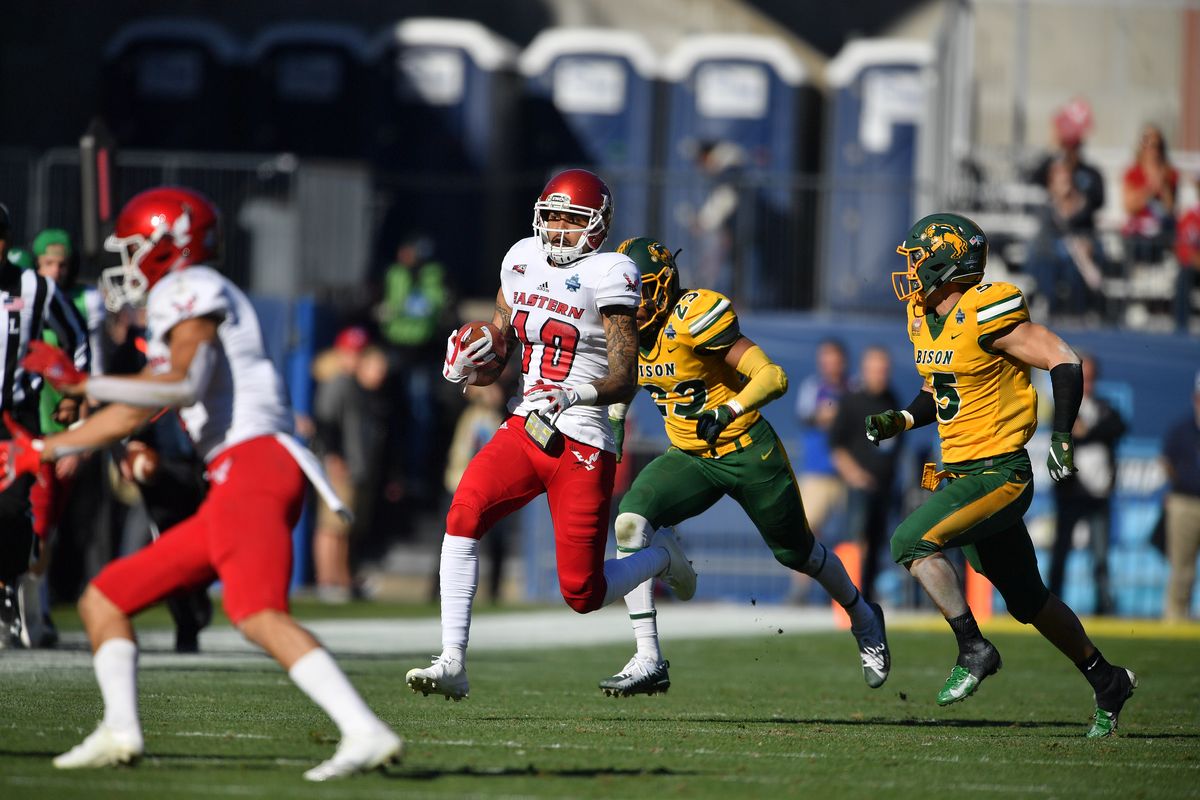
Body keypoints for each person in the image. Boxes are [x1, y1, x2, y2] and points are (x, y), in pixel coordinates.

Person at [4, 187, 400, 779]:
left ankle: (365, 730)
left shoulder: (188, 290)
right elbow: (142, 408)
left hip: (255, 463)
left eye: (137, 248)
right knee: (104, 598)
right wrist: (46, 447)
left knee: (258, 614)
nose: (128, 262)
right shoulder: (181, 299)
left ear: (170, 246)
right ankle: (119, 730)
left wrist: (88, 386)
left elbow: (181, 384)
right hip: (238, 474)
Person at [404, 169, 697, 701]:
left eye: (573, 219)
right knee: (462, 514)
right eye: (553, 216)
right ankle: (452, 660)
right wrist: (475, 358)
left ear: (599, 225)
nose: (560, 229)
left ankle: (661, 558)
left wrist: (573, 394)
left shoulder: (611, 272)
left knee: (582, 594)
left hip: (583, 437)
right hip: (525, 426)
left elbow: (623, 374)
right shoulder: (520, 260)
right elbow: (503, 341)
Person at [867, 212, 1137, 737]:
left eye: (919, 256)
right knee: (1027, 599)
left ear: (949, 261)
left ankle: (973, 647)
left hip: (1000, 474)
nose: (911, 268)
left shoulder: (987, 309)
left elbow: (1063, 357)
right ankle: (1107, 679)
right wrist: (901, 418)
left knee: (910, 541)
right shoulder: (923, 316)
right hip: (959, 472)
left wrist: (1060, 433)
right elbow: (941, 390)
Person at [598, 238, 889, 697]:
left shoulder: (693, 317)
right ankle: (648, 657)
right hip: (691, 457)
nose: (632, 306)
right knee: (631, 521)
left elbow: (774, 376)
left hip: (747, 448)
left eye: (641, 293)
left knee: (798, 553)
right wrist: (613, 426)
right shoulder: (625, 330)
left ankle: (863, 615)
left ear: (665, 287)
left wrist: (729, 410)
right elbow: (625, 380)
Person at [0, 203, 90, 649]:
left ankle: (20, 594)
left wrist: (76, 402)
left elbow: (77, 337)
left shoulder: (37, 290)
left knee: (19, 515)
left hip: (19, 423)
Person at [1047, 353, 1126, 615]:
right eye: (1083, 378)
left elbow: (1117, 426)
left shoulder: (1104, 407)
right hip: (1070, 493)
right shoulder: (1065, 407)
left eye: (1091, 379)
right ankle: (1051, 606)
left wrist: (1088, 432)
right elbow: (1063, 437)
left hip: (1098, 494)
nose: (1087, 384)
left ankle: (1103, 605)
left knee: (1101, 555)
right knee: (1061, 553)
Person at [828, 345, 902, 604]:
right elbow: (836, 445)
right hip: (859, 485)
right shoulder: (852, 400)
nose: (880, 375)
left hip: (884, 486)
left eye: (884, 370)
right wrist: (855, 475)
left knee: (877, 543)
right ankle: (846, 598)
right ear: (865, 370)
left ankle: (867, 596)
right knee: (855, 540)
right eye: (876, 369)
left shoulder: (892, 400)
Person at [1027, 99, 1107, 316]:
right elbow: (1032, 179)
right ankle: (1050, 312)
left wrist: (1073, 198)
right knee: (1043, 260)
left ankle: (1079, 315)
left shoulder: (1091, 174)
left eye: (1073, 145)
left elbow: (1096, 203)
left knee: (1076, 270)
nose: (1069, 150)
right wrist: (1053, 149)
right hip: (1051, 242)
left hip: (1082, 238)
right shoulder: (1050, 169)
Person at [788, 338, 849, 603]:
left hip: (847, 474)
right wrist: (822, 416)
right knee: (806, 533)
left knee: (849, 535)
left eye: (834, 359)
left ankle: (843, 593)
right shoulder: (813, 387)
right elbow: (805, 416)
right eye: (826, 359)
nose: (830, 364)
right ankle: (800, 591)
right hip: (817, 473)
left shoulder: (853, 387)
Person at [1161, 371, 1200, 621]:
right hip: (1185, 502)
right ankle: (1175, 621)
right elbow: (1166, 462)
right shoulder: (1182, 430)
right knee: (1182, 569)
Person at [1120, 124, 1177, 265]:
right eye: (1148, 144)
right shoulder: (1132, 173)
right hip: (1138, 234)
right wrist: (1150, 189)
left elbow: (1169, 209)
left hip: (1160, 232)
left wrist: (1163, 184)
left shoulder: (1170, 174)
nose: (1153, 150)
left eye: (1157, 145)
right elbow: (1129, 206)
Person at [1174, 175, 1200, 333]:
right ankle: (1181, 326)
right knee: (1184, 275)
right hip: (1196, 267)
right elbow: (1185, 249)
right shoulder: (1191, 216)